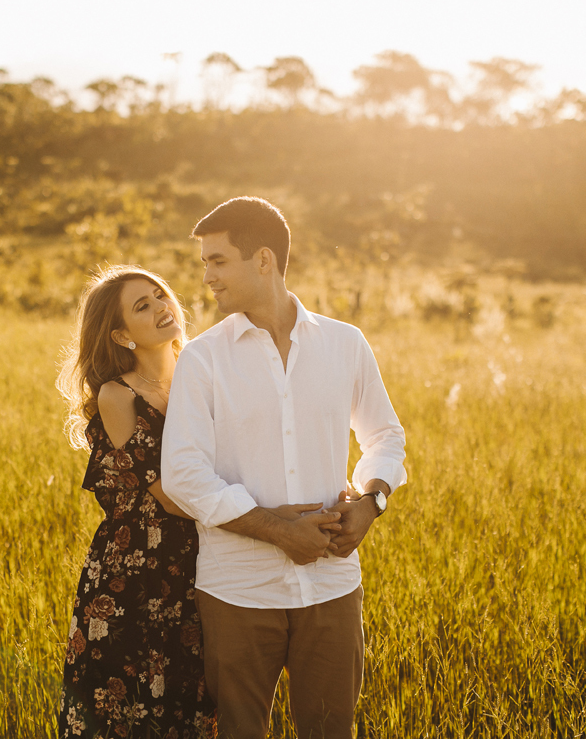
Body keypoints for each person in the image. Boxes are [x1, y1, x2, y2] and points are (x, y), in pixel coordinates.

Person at [160, 197, 406, 739]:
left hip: (333, 584)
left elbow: (385, 436)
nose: (207, 278)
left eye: (218, 261)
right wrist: (278, 531)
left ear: (264, 259)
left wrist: (371, 503)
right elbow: (182, 473)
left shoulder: (345, 344)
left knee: (330, 731)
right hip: (237, 591)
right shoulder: (203, 358)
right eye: (205, 264)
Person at [56, 265, 216, 739]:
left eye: (160, 295)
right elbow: (168, 494)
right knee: (128, 707)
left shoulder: (203, 377)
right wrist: (260, 519)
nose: (162, 308)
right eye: (141, 307)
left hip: (202, 559)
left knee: (193, 700)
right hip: (135, 571)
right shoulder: (118, 396)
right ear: (122, 334)